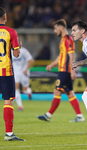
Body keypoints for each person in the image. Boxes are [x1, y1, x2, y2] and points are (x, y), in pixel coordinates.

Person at [37, 19, 85, 122]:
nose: (55, 31)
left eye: (55, 28)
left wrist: (72, 70)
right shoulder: (63, 40)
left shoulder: (68, 39)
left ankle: (48, 115)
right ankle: (80, 116)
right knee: (70, 93)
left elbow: (71, 54)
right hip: (63, 70)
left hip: (65, 70)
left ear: (61, 27)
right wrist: (52, 65)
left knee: (57, 91)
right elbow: (61, 56)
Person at [0, 7, 25, 141]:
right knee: (8, 101)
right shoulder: (11, 32)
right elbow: (15, 54)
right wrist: (18, 48)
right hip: (5, 71)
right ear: (5, 17)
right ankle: (9, 134)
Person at [12, 46, 34, 111]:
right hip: (16, 72)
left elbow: (31, 60)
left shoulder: (23, 51)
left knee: (25, 90)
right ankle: (20, 106)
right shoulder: (10, 51)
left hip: (24, 72)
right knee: (16, 88)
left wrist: (26, 69)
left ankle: (29, 92)